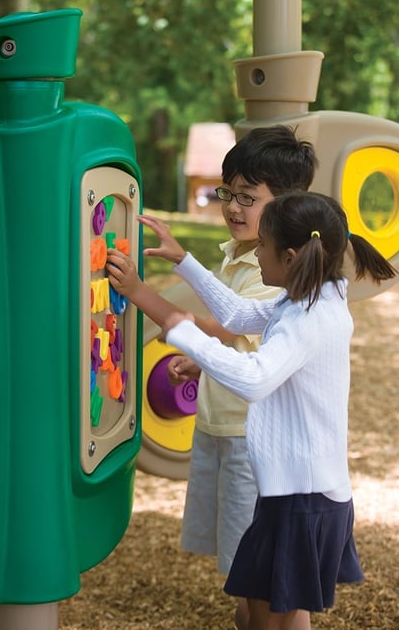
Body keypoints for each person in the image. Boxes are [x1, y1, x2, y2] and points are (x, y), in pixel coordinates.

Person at [120, 192, 396, 630]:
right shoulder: (308, 297)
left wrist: (185, 334)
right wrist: (184, 262)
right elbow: (237, 314)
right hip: (300, 496)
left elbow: (255, 377)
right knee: (267, 613)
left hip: (302, 500)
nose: (257, 253)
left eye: (262, 246)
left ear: (289, 256)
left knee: (264, 618)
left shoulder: (311, 318)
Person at [107, 125, 318, 579]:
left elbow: (225, 326)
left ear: (283, 206)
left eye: (247, 197)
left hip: (250, 436)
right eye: (229, 193)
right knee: (240, 564)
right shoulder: (240, 253)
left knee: (254, 570)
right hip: (220, 425)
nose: (232, 207)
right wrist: (204, 365)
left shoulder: (272, 270)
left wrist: (140, 292)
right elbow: (240, 343)